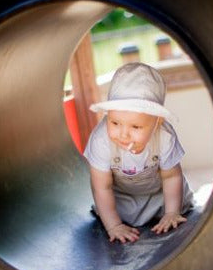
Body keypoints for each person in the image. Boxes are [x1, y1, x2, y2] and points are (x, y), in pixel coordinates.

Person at [83, 62, 194, 243]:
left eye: (135, 126)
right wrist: (114, 225)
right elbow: (101, 187)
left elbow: (171, 177)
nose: (123, 134)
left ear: (157, 123)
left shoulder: (164, 137)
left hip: (159, 195)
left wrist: (172, 212)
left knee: (176, 206)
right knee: (108, 211)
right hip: (120, 199)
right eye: (115, 123)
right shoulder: (101, 140)